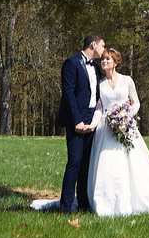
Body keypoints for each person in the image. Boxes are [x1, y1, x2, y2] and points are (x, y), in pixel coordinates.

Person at [83, 48, 149, 217]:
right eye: (103, 59)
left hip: (126, 127)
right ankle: (107, 201)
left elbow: (136, 102)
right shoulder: (100, 85)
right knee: (108, 164)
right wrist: (93, 124)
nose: (104, 62)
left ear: (116, 62)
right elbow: (99, 108)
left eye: (108, 59)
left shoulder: (127, 81)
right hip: (105, 130)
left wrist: (126, 117)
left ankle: (136, 199)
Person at [36, 32, 107, 213]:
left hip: (92, 121)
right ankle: (65, 207)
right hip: (76, 121)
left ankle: (83, 204)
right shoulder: (71, 63)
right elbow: (68, 94)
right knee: (74, 163)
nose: (103, 49)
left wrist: (95, 121)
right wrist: (77, 121)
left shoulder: (97, 68)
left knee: (86, 166)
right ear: (93, 44)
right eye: (102, 45)